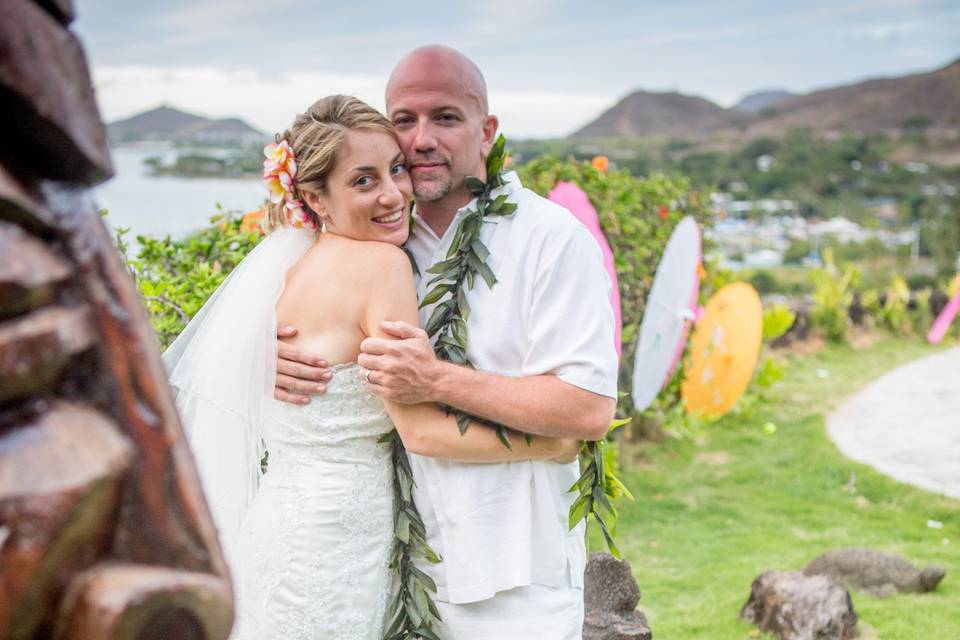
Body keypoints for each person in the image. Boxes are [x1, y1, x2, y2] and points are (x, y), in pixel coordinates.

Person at [163, 95, 577, 640]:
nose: (393, 194)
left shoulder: (288, 268)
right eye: (363, 181)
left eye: (396, 168)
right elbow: (422, 431)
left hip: (275, 530)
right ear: (314, 196)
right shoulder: (382, 265)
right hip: (336, 543)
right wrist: (550, 443)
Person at [274, 47, 619, 639]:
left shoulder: (552, 241)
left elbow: (588, 408)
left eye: (446, 118)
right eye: (404, 120)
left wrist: (435, 379)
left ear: (487, 132)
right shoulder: (374, 238)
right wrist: (267, 359)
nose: (421, 139)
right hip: (388, 568)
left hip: (512, 579)